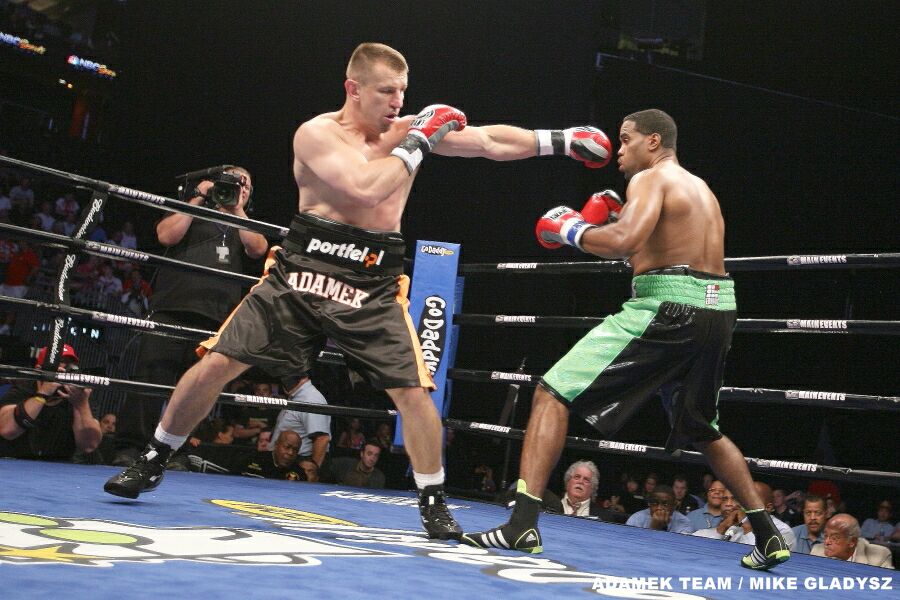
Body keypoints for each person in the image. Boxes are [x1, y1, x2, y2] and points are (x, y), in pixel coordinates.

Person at [104, 42, 610, 540]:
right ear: (354, 89)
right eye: (386, 91)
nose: (397, 101)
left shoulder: (405, 131)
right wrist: (420, 141)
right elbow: (366, 188)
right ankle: (153, 458)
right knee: (219, 362)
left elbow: (489, 142)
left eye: (402, 91)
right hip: (302, 270)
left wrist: (561, 139)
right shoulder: (317, 134)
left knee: (413, 392)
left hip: (372, 279)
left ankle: (433, 503)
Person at [463, 109, 790, 571]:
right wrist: (614, 222)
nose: (618, 151)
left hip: (666, 306)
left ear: (653, 141)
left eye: (626, 139)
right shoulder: (700, 188)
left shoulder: (651, 179)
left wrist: (571, 229)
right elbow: (655, 248)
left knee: (551, 392)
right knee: (702, 428)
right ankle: (768, 534)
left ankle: (521, 524)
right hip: (718, 310)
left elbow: (624, 241)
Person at [109, 165, 268, 468]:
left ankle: (174, 451)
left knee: (195, 390)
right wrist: (197, 197)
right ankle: (130, 447)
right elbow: (166, 235)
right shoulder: (192, 209)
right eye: (234, 182)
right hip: (172, 307)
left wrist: (236, 209)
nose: (241, 188)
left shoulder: (242, 224)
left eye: (246, 185)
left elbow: (258, 249)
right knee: (150, 379)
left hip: (215, 318)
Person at [0, 344, 101, 460]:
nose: (64, 369)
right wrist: (43, 393)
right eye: (59, 362)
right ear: (39, 369)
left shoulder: (79, 396)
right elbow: (7, 430)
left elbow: (89, 446)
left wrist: (81, 406)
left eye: (69, 364)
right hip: (14, 462)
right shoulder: (23, 388)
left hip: (58, 466)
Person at [692, 482, 796, 551]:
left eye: (751, 501)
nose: (744, 504)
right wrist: (721, 529)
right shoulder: (737, 525)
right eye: (743, 499)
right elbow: (697, 545)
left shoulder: (782, 531)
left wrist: (748, 528)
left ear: (768, 507)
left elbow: (756, 559)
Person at [269, 375, 332, 467]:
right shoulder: (296, 396)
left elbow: (322, 439)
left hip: (300, 461)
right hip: (284, 461)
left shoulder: (311, 399)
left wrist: (311, 471)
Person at [811, 514, 894, 568]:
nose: (826, 542)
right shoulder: (817, 551)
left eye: (834, 538)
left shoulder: (880, 556)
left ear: (852, 542)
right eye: (825, 536)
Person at [624, 485, 694, 534]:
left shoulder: (684, 523)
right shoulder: (636, 519)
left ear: (674, 505)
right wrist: (654, 528)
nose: (659, 508)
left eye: (665, 504)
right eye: (654, 503)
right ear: (649, 504)